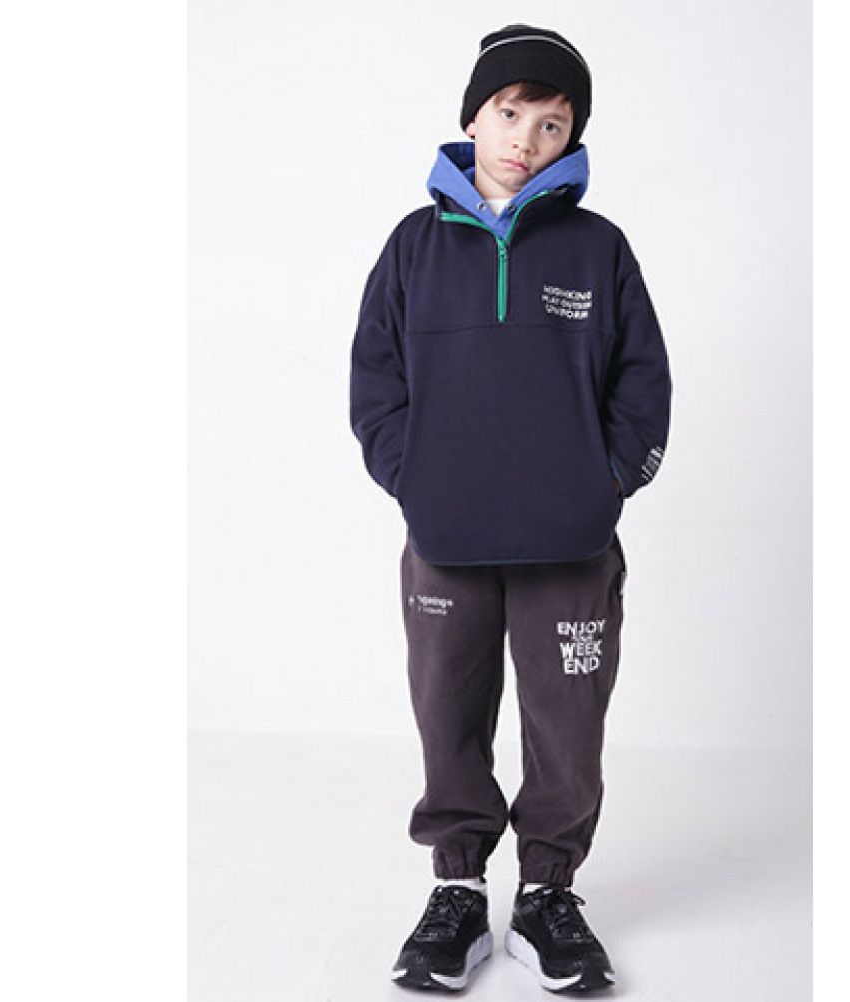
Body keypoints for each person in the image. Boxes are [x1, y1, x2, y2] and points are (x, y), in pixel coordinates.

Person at [349, 22, 672, 994]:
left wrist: (605, 480)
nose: (526, 137)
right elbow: (375, 380)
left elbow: (643, 384)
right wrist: (415, 476)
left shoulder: (599, 249)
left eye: (552, 123)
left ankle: (546, 896)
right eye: (509, 111)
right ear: (473, 117)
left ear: (571, 140)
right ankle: (457, 890)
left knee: (567, 723)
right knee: (448, 709)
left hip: (570, 543)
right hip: (446, 539)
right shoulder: (413, 249)